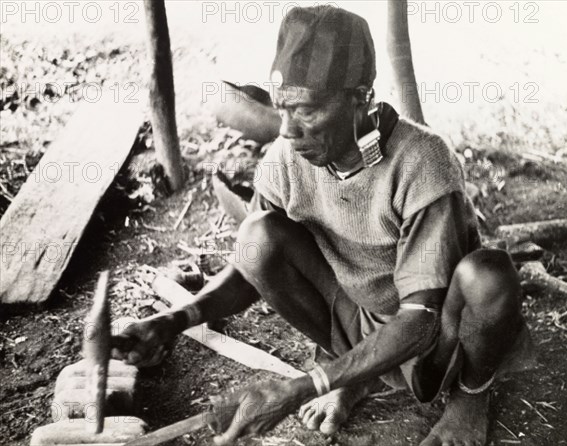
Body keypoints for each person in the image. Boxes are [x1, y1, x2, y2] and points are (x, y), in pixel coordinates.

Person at [112, 6, 534, 446]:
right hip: (355, 316)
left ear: (361, 98)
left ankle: (471, 395)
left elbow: (419, 321)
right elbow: (247, 269)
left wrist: (304, 387)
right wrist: (175, 319)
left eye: (307, 110)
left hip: (438, 336)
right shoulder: (287, 157)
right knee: (258, 235)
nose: (289, 131)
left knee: (487, 276)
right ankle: (353, 372)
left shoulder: (421, 163)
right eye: (282, 109)